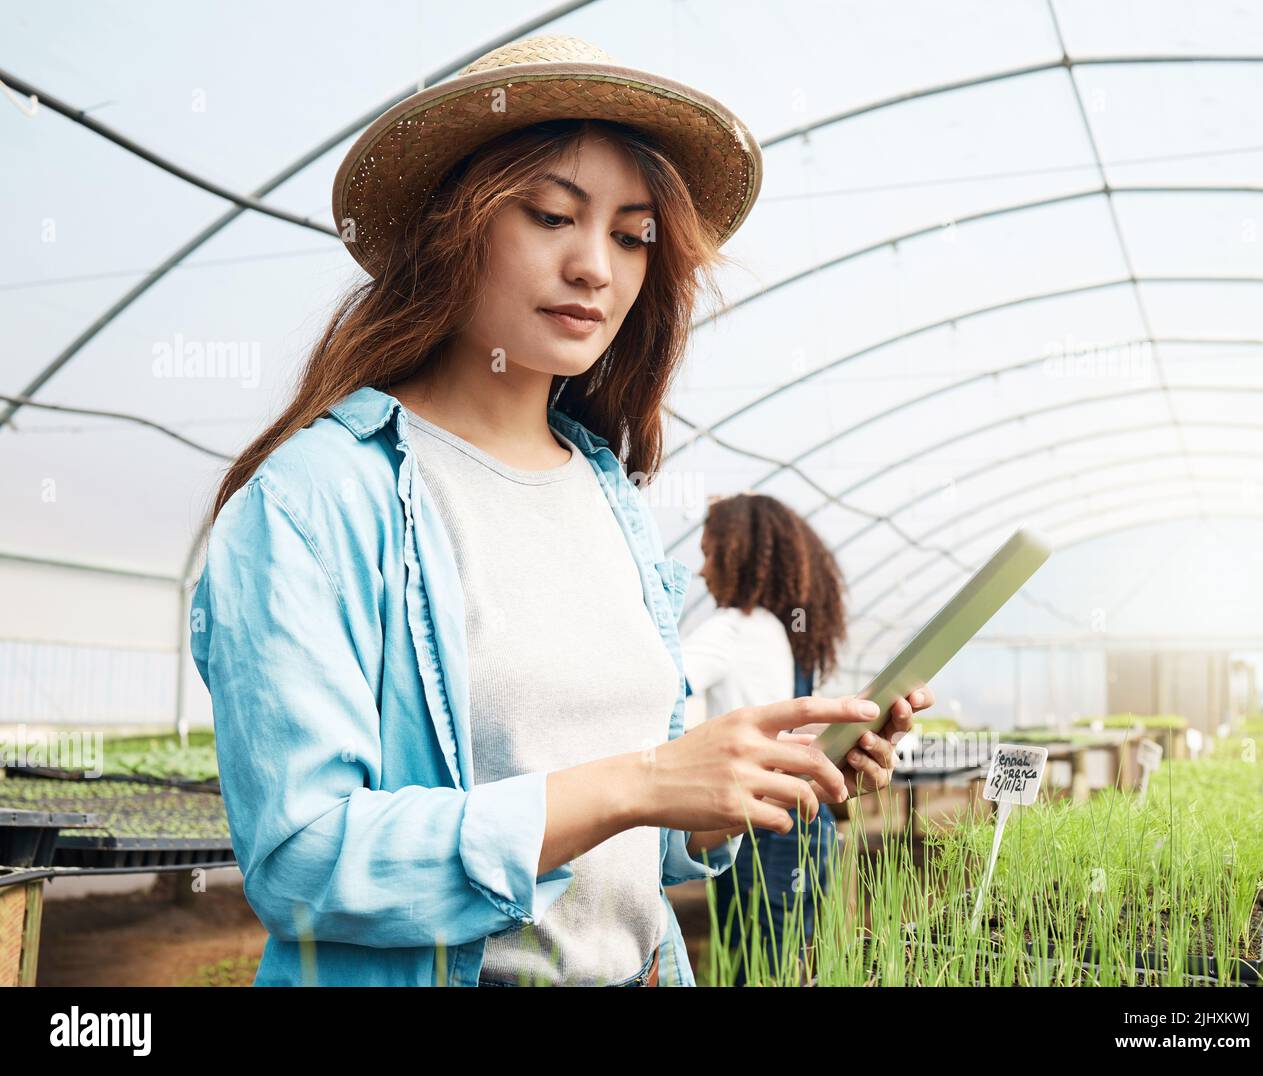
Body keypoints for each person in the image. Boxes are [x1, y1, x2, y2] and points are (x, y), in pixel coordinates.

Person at [187, 34, 930, 988]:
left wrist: (732, 787)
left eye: (630, 235)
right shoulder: (315, 501)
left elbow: (628, 856)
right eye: (551, 215)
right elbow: (302, 860)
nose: (596, 268)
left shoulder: (605, 494)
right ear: (451, 227)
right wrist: (645, 780)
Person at [682, 493, 919, 984]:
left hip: (756, 830)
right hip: (807, 827)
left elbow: (660, 681)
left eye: (709, 552)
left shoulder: (737, 627)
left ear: (738, 553)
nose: (702, 570)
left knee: (751, 965)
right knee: (788, 959)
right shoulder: (785, 632)